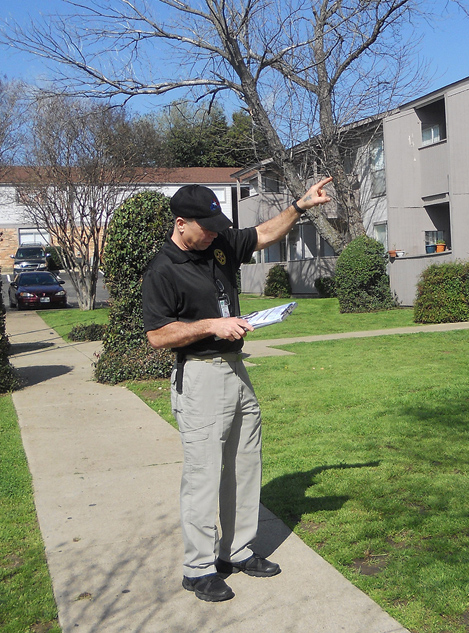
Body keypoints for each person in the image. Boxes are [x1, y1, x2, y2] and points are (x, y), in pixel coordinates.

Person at [142, 177, 333, 602]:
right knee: (203, 475)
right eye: (206, 227)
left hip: (235, 370)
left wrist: (299, 207)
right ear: (180, 223)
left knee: (246, 463)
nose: (214, 233)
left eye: (217, 225)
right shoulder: (163, 268)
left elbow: (263, 234)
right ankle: (198, 568)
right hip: (199, 374)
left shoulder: (219, 243)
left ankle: (236, 550)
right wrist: (212, 325)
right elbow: (157, 335)